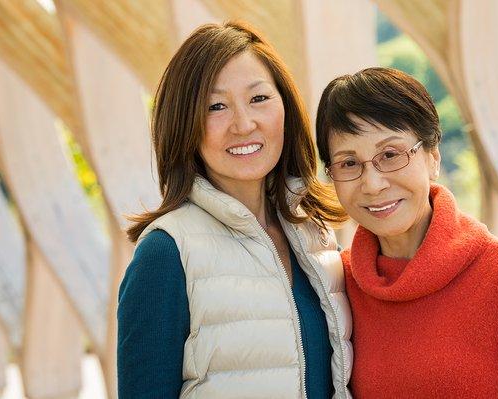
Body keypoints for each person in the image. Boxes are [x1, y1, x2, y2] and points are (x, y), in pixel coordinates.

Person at [117, 21, 353, 399]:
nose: (243, 124)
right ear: (184, 125)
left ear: (286, 108)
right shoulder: (165, 254)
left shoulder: (316, 236)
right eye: (216, 106)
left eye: (259, 99)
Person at [315, 67, 498, 398]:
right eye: (349, 163)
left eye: (390, 155)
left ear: (433, 157)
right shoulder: (338, 284)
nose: (372, 183)